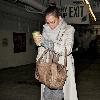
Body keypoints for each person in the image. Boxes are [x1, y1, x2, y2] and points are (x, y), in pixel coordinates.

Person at [33, 3, 78, 100]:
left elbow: (68, 49)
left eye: (53, 22)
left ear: (59, 18)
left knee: (58, 95)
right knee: (46, 95)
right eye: (48, 22)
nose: (50, 25)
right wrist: (38, 62)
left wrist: (49, 44)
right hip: (47, 66)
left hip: (60, 68)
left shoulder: (69, 29)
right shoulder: (46, 30)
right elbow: (42, 50)